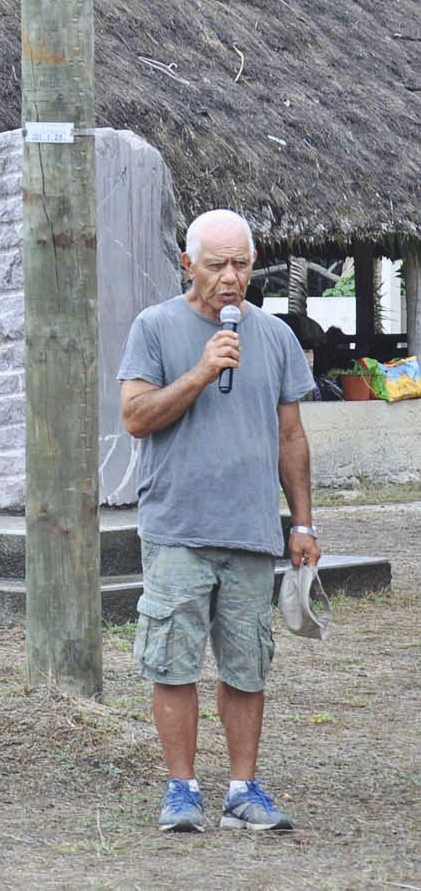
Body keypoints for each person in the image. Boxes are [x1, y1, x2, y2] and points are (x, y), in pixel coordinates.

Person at [119, 208, 318, 834]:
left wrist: (303, 524)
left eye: (242, 264)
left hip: (252, 531)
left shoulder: (277, 337)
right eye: (216, 265)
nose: (231, 278)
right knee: (173, 663)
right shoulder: (154, 327)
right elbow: (136, 417)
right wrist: (203, 370)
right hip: (177, 528)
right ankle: (181, 790)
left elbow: (291, 436)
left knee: (247, 666)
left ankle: (243, 789)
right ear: (187, 264)